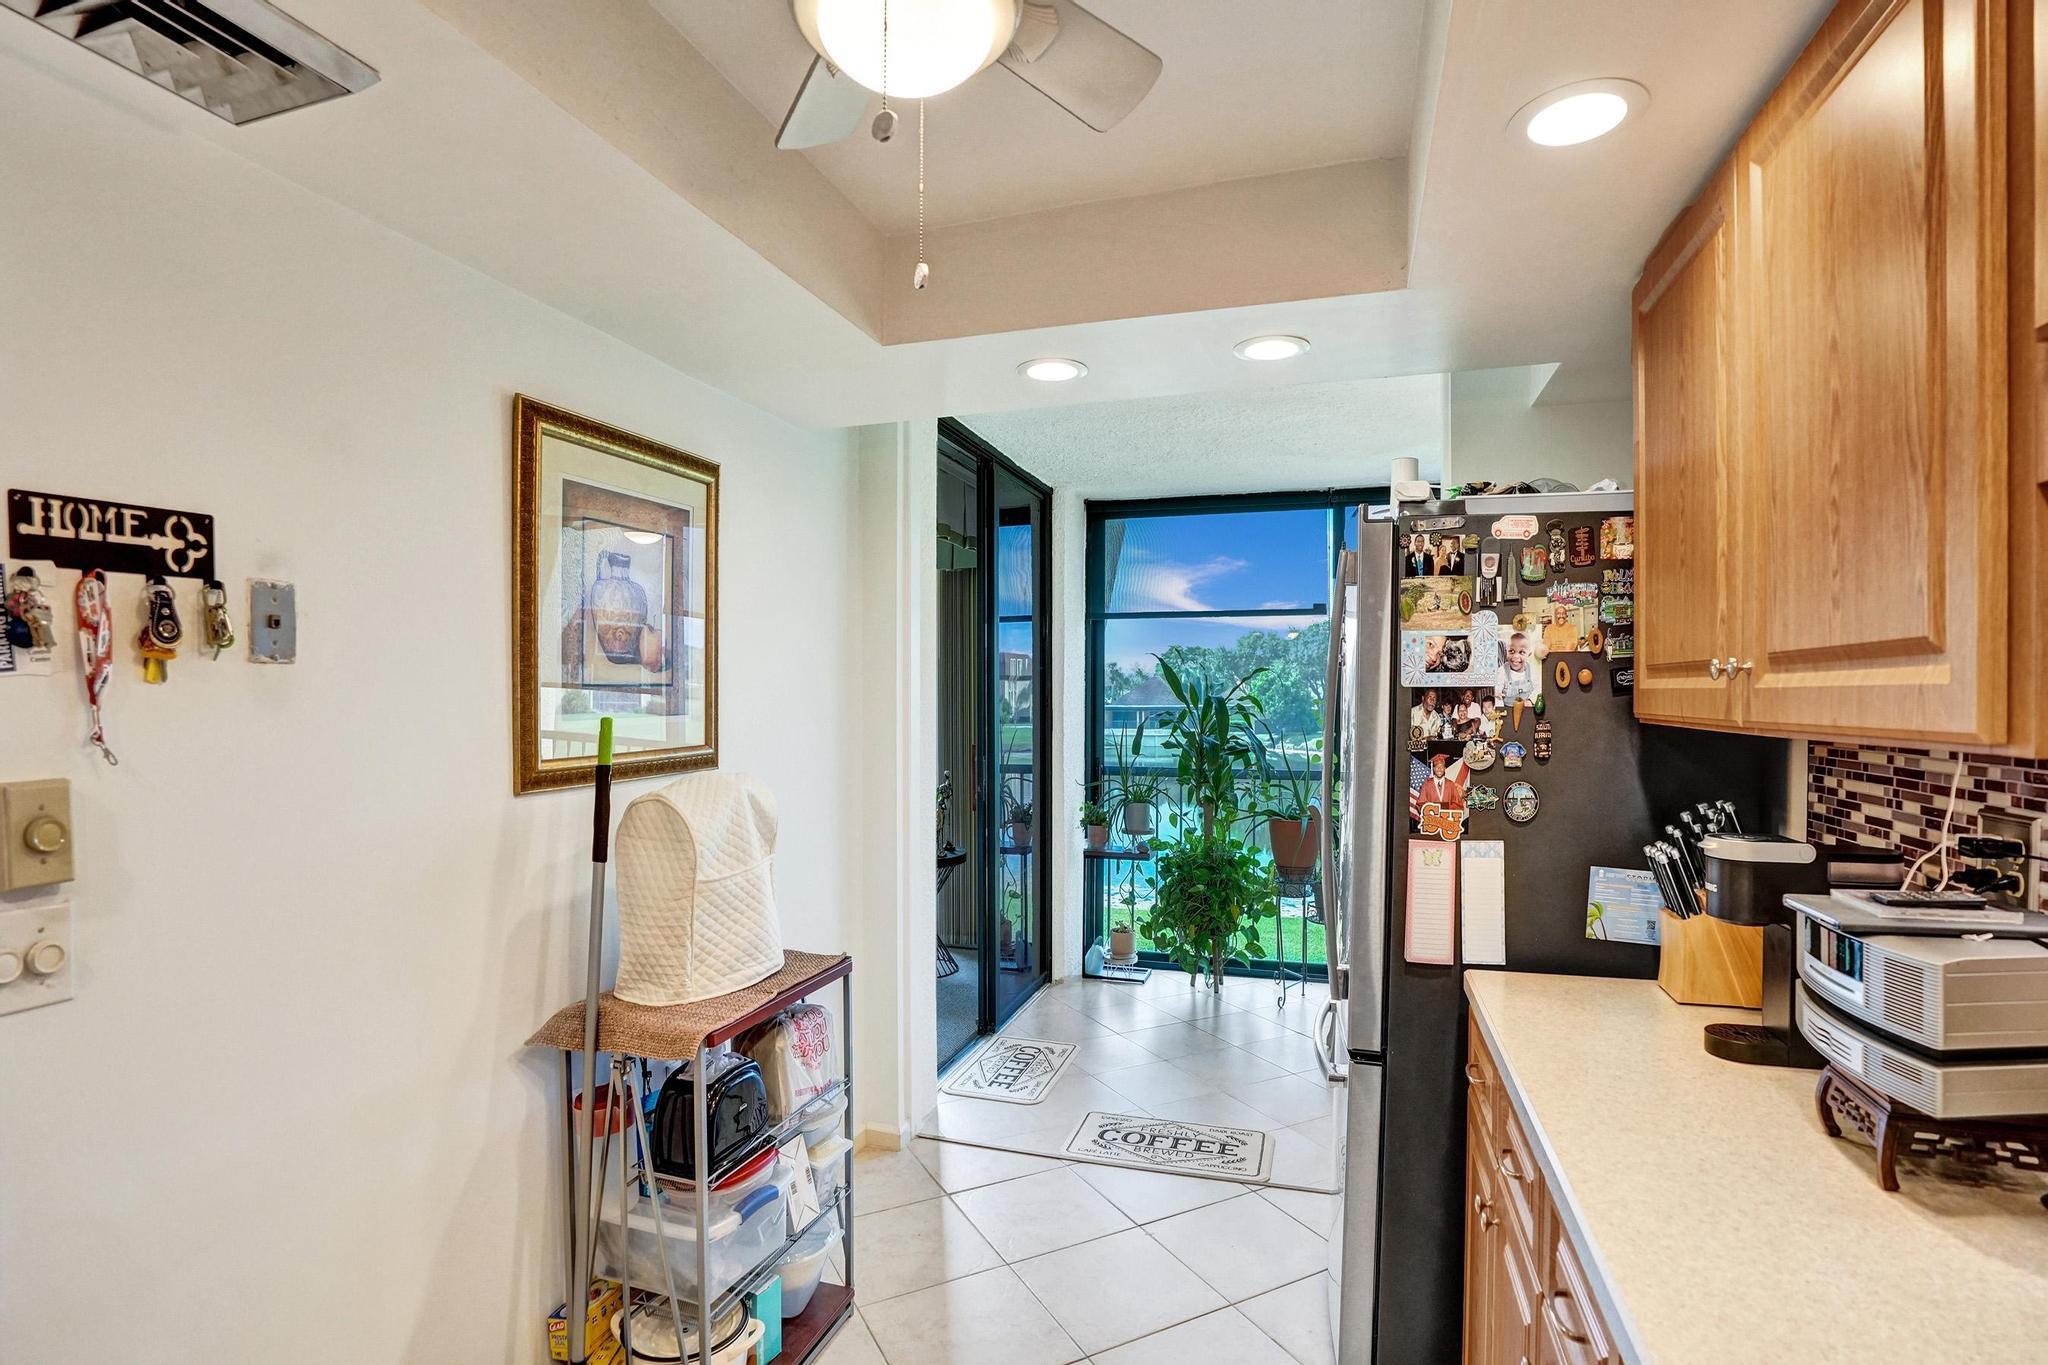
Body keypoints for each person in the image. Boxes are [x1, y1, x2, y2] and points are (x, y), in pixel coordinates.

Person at [1499, 631, 1537, 702]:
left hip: (1525, 708)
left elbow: (1538, 688)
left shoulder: (1531, 669)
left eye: (1521, 652)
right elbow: (1497, 694)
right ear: (1506, 651)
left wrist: (1530, 700)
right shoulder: (1502, 671)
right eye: (1511, 651)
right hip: (1508, 708)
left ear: (1529, 654)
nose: (1516, 656)